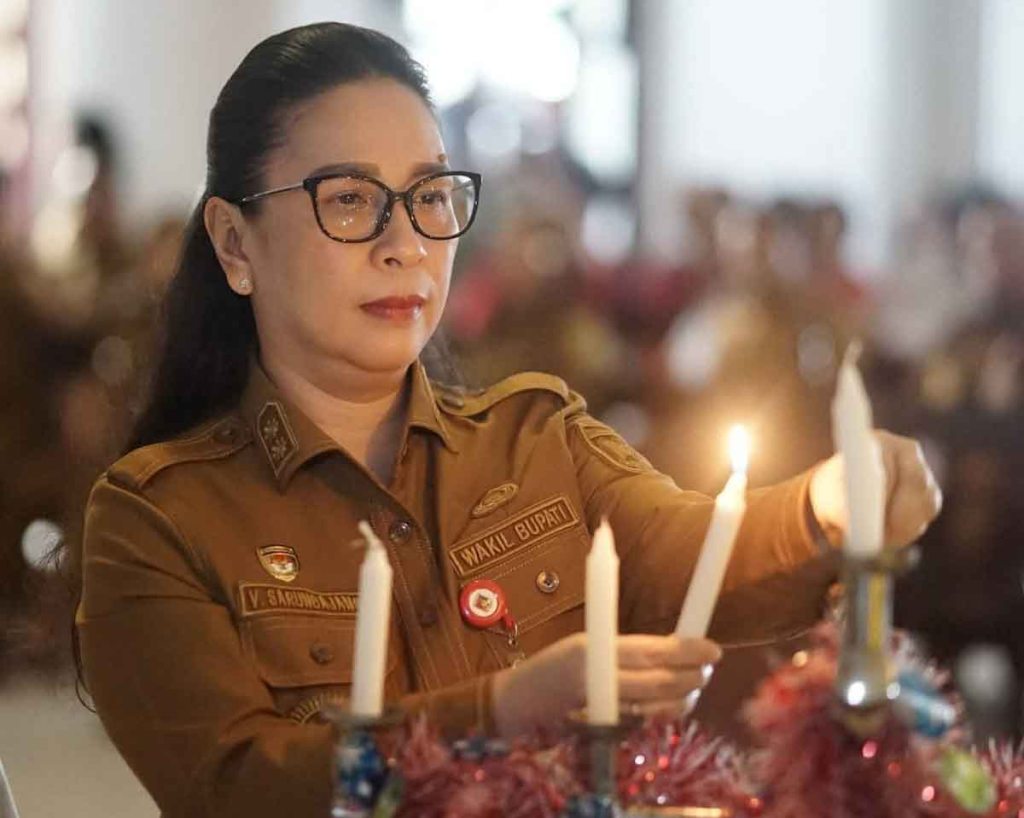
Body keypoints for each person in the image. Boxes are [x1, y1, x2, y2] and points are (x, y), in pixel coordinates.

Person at [72, 22, 942, 818]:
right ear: (235, 243)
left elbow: (696, 554)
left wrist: (827, 506)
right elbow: (236, 784)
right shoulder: (158, 519)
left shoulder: (536, 440)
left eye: (429, 194)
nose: (405, 244)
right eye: (349, 199)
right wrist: (497, 712)